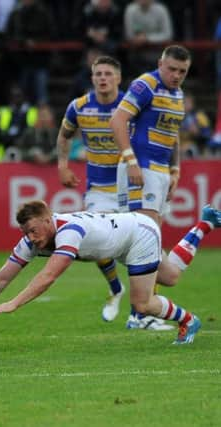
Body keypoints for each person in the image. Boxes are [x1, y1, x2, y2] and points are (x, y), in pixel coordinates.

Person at [0, 200, 221, 345]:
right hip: (124, 237)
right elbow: (2, 277)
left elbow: (48, 276)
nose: (31, 238)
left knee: (142, 304)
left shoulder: (69, 232)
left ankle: (188, 320)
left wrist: (14, 303)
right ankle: (205, 223)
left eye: (34, 231)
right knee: (171, 276)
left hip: (138, 234)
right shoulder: (34, 241)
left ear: (47, 220)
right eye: (25, 233)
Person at [109, 45, 190, 329]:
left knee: (150, 245)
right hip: (141, 167)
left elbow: (173, 134)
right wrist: (130, 161)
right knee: (146, 240)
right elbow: (118, 119)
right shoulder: (146, 84)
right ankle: (141, 313)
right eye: (172, 69)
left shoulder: (177, 94)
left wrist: (175, 168)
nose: (176, 75)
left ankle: (143, 311)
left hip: (160, 172)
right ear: (160, 64)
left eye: (182, 71)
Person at [57, 55, 131, 324]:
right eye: (98, 74)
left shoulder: (131, 105)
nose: (102, 78)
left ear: (118, 78)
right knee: (100, 246)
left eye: (108, 73)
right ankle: (116, 289)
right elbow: (64, 135)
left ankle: (142, 313)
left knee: (144, 246)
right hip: (99, 187)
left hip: (131, 185)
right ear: (92, 78)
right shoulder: (79, 107)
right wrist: (63, 165)